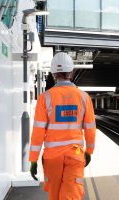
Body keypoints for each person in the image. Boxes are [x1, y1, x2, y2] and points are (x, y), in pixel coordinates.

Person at [28, 52, 96, 200]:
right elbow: (90, 128)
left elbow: (38, 131)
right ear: (72, 72)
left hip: (52, 156)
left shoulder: (45, 98)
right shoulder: (84, 97)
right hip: (75, 154)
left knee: (54, 195)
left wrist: (33, 159)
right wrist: (89, 151)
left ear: (53, 74)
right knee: (71, 195)